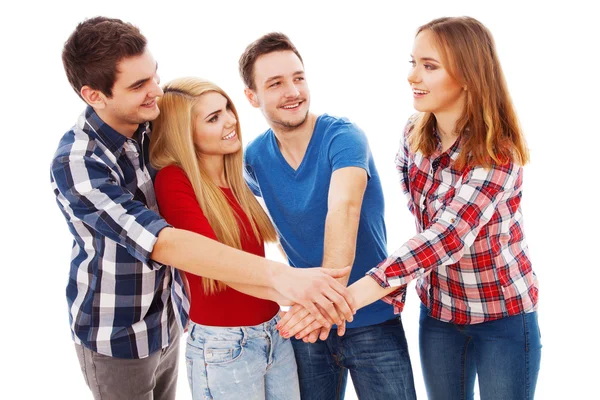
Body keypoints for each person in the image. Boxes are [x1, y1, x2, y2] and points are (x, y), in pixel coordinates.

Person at [50, 17, 354, 400]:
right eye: (139, 85)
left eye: (154, 75)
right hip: (119, 332)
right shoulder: (78, 163)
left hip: (169, 319)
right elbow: (164, 242)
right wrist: (286, 280)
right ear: (95, 95)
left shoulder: (150, 125)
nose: (156, 92)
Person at [280, 16, 542, 400]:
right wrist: (395, 287)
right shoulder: (413, 136)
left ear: (468, 75)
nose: (412, 76)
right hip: (439, 315)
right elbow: (423, 234)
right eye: (413, 62)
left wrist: (343, 301)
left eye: (429, 66)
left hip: (502, 316)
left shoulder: (497, 153)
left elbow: (447, 237)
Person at [239, 32, 417, 400]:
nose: (293, 91)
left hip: (369, 316)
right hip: (308, 324)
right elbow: (242, 218)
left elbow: (343, 210)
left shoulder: (344, 136)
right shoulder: (254, 158)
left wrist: (325, 305)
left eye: (298, 77)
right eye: (276, 83)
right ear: (252, 97)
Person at [150, 77, 301, 400]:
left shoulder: (237, 180)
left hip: (274, 333)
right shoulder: (174, 181)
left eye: (227, 109)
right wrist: (297, 291)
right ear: (185, 134)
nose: (230, 120)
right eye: (213, 118)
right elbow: (220, 268)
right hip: (224, 347)